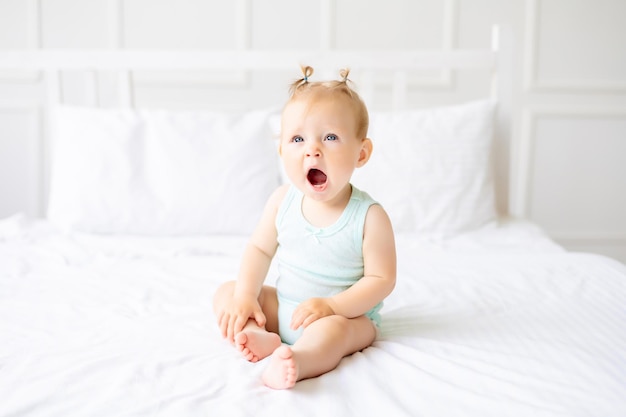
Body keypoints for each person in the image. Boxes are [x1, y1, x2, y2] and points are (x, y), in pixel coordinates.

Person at [212, 66, 396, 390]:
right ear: (282, 150)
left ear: (361, 153)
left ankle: (301, 359)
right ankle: (261, 335)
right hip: (286, 307)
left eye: (330, 137)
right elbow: (259, 249)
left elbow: (382, 280)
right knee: (227, 292)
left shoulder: (369, 217)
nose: (313, 149)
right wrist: (245, 295)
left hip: (345, 316)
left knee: (337, 333)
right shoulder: (282, 201)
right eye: (298, 138)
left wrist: (332, 306)